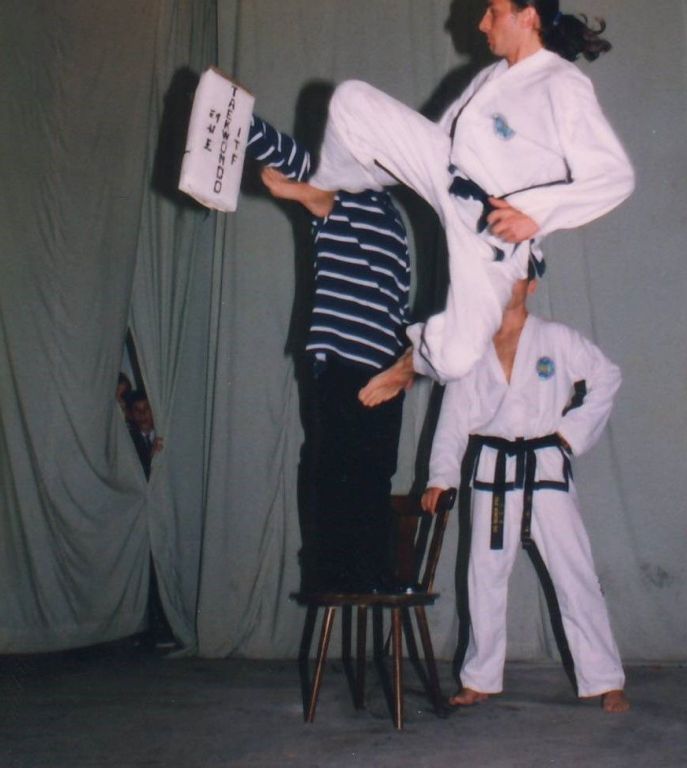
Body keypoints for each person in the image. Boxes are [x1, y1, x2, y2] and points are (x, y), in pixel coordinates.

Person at [273, 0, 634, 404]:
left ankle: (413, 361)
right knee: (351, 99)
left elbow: (614, 176)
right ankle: (325, 186)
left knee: (456, 358)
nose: (482, 24)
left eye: (493, 12)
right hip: (447, 170)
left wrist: (535, 215)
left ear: (527, 15)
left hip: (491, 232)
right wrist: (360, 176)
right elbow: (427, 143)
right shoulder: (491, 77)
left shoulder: (562, 83)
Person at [421, 262, 629, 713]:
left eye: (516, 276)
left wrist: (571, 434)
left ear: (531, 285)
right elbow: (453, 418)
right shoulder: (472, 346)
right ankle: (479, 677)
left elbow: (607, 376)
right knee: (484, 575)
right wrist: (441, 477)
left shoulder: (556, 338)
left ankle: (605, 679)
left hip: (545, 464)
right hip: (492, 469)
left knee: (573, 573)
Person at [247, 112, 412, 592]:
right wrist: (235, 116)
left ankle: (369, 571)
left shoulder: (389, 213)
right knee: (335, 465)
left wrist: (402, 364)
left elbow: (396, 298)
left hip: (385, 364)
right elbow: (289, 159)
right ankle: (333, 572)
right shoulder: (337, 184)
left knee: (373, 472)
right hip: (341, 358)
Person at [125, 389, 163, 480]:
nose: (142, 414)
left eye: (147, 408)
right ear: (131, 414)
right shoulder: (129, 441)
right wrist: (151, 458)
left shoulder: (164, 434)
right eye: (137, 410)